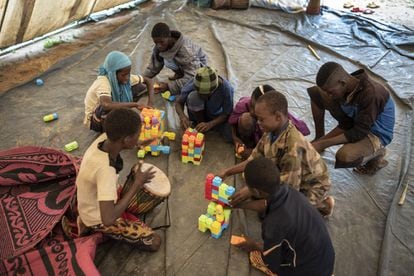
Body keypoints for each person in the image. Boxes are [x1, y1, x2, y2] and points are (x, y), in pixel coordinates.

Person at [220, 91, 333, 216]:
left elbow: (288, 188)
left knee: (283, 214)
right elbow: (253, 160)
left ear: (278, 117)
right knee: (252, 179)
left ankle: (323, 205)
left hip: (311, 185)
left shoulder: (293, 147)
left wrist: (250, 192)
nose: (258, 123)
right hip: (287, 174)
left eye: (261, 119)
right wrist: (227, 172)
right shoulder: (270, 131)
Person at [76, 108, 161, 251]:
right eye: (137, 134)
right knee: (154, 241)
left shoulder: (105, 137)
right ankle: (91, 228)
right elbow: (108, 220)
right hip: (98, 216)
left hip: (91, 198)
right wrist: (137, 184)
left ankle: (87, 221)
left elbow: (124, 140)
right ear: (126, 140)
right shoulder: (105, 170)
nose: (139, 136)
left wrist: (139, 142)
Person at [234, 157, 335, 276]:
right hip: (326, 260)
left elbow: (272, 264)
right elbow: (266, 204)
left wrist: (254, 245)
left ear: (257, 192)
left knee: (259, 260)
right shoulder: (290, 191)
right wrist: (241, 205)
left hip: (311, 271)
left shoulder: (273, 224)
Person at [308, 62, 395, 174]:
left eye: (330, 92)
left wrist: (323, 144)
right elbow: (348, 124)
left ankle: (378, 153)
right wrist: (320, 141)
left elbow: (359, 132)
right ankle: (319, 137)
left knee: (344, 156)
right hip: (355, 120)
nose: (329, 95)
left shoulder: (373, 94)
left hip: (374, 132)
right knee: (316, 93)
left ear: (342, 82)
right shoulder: (346, 86)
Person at [229, 84, 310, 159]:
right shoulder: (245, 104)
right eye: (252, 106)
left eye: (261, 119)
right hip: (259, 140)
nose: (252, 112)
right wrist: (235, 138)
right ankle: (250, 143)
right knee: (246, 119)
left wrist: (255, 153)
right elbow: (232, 122)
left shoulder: (281, 122)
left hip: (269, 146)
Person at [84, 51, 154, 132]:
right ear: (113, 74)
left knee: (139, 86)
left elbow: (148, 80)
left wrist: (150, 103)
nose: (127, 78)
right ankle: (112, 128)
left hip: (108, 107)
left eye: (128, 74)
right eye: (124, 75)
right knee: (110, 113)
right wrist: (135, 104)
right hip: (95, 119)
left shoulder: (125, 78)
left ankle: (120, 116)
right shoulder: (103, 82)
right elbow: (106, 105)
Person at [143, 22, 208, 95]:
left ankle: (181, 77)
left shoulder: (186, 51)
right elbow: (154, 66)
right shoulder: (160, 45)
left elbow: (193, 76)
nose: (159, 46)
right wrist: (142, 79)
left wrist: (168, 86)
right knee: (168, 61)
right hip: (186, 65)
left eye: (161, 42)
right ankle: (180, 75)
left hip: (198, 67)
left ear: (169, 36)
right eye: (155, 42)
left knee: (192, 88)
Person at [175, 66, 234, 141]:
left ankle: (205, 126)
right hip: (196, 114)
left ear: (214, 89)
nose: (202, 96)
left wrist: (210, 124)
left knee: (229, 134)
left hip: (215, 116)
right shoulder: (196, 82)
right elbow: (179, 102)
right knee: (193, 97)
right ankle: (199, 123)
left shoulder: (226, 89)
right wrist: (182, 117)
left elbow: (226, 113)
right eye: (200, 93)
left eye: (205, 94)